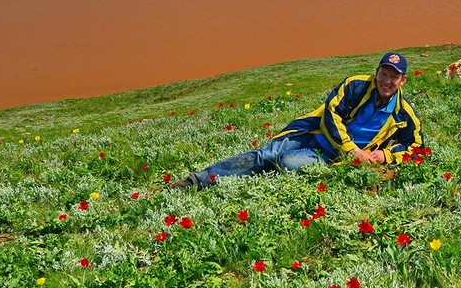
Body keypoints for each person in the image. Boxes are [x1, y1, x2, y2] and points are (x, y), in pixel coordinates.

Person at [169, 52, 423, 190]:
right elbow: (330, 116)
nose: (386, 81)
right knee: (264, 154)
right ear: (376, 72)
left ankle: (251, 175)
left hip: (332, 157)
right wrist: (353, 150)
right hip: (314, 134)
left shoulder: (404, 113)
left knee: (287, 164)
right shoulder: (355, 86)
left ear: (403, 81)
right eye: (384, 74)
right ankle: (196, 181)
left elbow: (417, 147)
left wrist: (386, 157)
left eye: (394, 77)